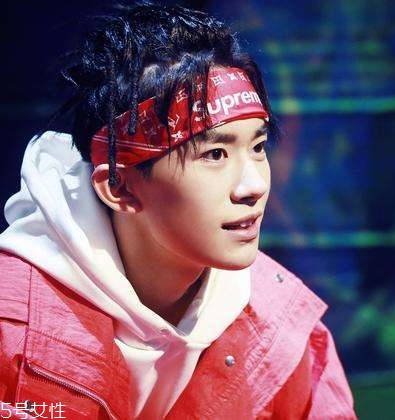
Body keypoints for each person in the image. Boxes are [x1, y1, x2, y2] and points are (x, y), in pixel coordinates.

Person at [0, 3, 356, 419]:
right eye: (215, 154)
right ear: (119, 187)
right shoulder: (11, 329)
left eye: (258, 147)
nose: (254, 186)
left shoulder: (285, 330)